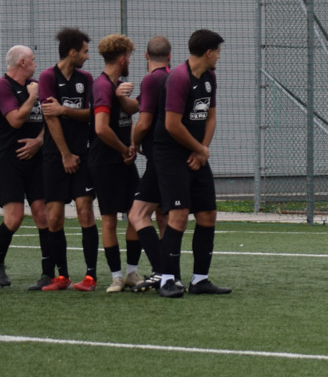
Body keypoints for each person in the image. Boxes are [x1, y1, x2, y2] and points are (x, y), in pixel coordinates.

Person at [150, 29, 228, 297]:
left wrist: (202, 150)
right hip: (171, 155)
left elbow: (210, 116)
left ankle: (200, 280)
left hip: (196, 154)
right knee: (179, 215)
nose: (219, 56)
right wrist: (199, 149)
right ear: (208, 52)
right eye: (218, 52)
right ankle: (167, 280)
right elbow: (172, 125)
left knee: (207, 214)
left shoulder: (209, 77)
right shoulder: (179, 78)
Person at [34, 28, 98, 291]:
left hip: (83, 154)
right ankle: (62, 277)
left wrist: (65, 109)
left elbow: (92, 113)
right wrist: (65, 154)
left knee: (85, 211)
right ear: (72, 53)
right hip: (55, 157)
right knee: (55, 217)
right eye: (85, 51)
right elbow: (50, 118)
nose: (87, 56)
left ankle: (90, 277)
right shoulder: (48, 77)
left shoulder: (87, 79)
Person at [0, 45, 48, 287]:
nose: (35, 64)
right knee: (14, 218)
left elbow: (51, 118)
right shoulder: (2, 86)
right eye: (32, 60)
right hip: (9, 159)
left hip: (37, 159)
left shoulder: (38, 85)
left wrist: (39, 140)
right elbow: (14, 120)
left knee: (42, 215)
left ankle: (48, 273)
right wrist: (32, 97)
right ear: (22, 62)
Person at [90, 34, 145, 293]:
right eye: (129, 57)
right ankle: (116, 277)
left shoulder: (118, 85)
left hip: (125, 160)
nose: (130, 62)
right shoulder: (102, 86)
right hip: (106, 163)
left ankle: (132, 272)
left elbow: (131, 113)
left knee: (135, 214)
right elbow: (101, 128)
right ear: (122, 59)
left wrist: (132, 143)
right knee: (109, 219)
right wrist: (124, 149)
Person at [126, 37, 173, 288]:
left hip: (158, 158)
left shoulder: (151, 80)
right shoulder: (173, 78)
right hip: (171, 157)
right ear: (170, 56)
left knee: (137, 214)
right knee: (164, 216)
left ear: (146, 56)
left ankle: (161, 271)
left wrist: (134, 143)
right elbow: (136, 105)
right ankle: (170, 273)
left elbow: (143, 122)